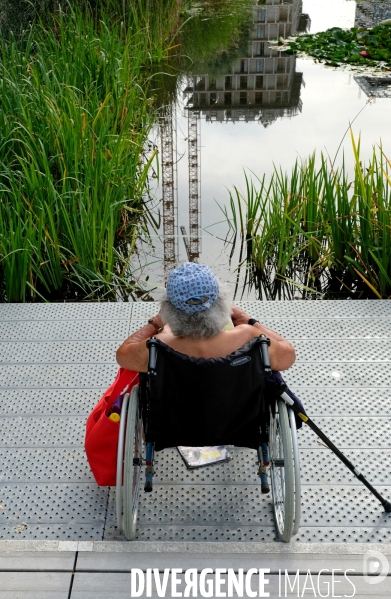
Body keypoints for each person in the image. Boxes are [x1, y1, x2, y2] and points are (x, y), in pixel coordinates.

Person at [116, 262, 295, 373]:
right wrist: (248, 320)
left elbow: (123, 355)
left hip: (174, 430)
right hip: (241, 428)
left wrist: (156, 322)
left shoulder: (158, 346)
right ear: (221, 301)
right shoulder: (248, 337)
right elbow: (288, 355)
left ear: (168, 307)